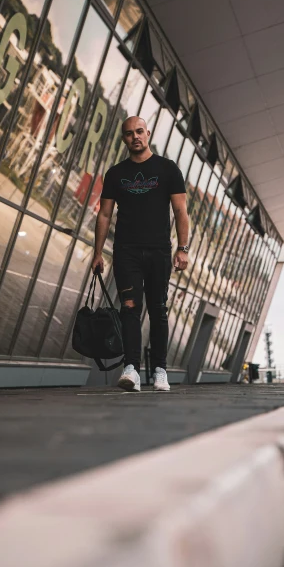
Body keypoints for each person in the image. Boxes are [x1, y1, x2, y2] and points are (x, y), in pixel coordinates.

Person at [91, 116, 189, 392]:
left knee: (158, 310)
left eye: (140, 132)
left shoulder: (168, 169)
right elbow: (105, 214)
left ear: (148, 134)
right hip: (126, 251)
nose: (135, 137)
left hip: (159, 250)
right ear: (123, 139)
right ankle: (131, 369)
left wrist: (182, 248)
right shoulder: (115, 174)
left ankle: (160, 371)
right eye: (129, 133)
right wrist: (98, 253)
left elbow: (181, 211)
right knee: (130, 309)